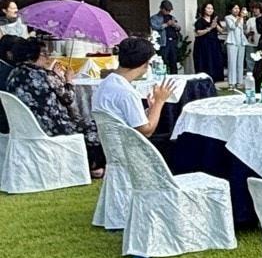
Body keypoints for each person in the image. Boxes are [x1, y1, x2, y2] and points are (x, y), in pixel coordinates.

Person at [8, 38, 103, 177]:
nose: (48, 57)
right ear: (32, 55)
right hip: (53, 125)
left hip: (27, 127)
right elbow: (68, 98)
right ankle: (94, 165)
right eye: (44, 54)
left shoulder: (13, 75)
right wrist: (68, 80)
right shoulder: (44, 75)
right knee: (93, 126)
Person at [93, 37, 172, 136]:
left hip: (110, 142)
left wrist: (151, 111)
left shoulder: (106, 83)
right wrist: (159, 102)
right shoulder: (127, 93)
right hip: (128, 146)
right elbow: (146, 131)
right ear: (145, 64)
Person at [191, 3, 225, 83]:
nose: (210, 10)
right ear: (204, 9)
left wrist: (215, 25)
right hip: (203, 45)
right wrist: (210, 28)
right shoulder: (199, 21)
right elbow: (198, 32)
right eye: (208, 8)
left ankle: (216, 80)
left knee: (216, 61)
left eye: (211, 8)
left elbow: (221, 31)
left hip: (214, 44)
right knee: (205, 62)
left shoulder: (215, 20)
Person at [149, 0, 182, 73]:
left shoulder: (172, 17)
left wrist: (175, 25)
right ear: (161, 8)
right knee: (164, 60)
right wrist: (166, 24)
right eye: (166, 10)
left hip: (173, 41)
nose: (168, 12)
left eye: (169, 10)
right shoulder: (155, 18)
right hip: (163, 42)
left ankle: (174, 76)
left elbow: (179, 28)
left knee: (173, 61)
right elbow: (155, 27)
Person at [219, 4, 245, 87]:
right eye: (234, 8)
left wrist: (241, 18)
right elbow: (232, 27)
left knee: (240, 62)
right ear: (231, 10)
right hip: (232, 41)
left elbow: (242, 29)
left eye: (238, 8)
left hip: (241, 41)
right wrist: (240, 17)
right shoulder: (228, 17)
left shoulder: (241, 18)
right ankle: (231, 82)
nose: (237, 10)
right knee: (232, 62)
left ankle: (239, 81)